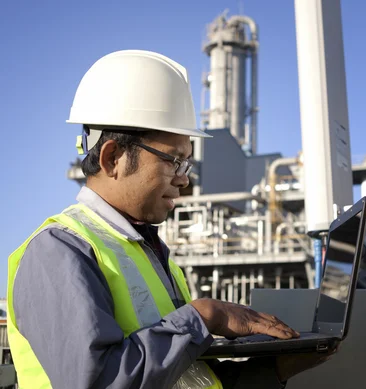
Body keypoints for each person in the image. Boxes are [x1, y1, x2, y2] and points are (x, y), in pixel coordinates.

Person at [6, 50, 334, 388]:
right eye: (173, 161)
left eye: (187, 164)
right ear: (113, 158)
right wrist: (205, 315)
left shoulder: (149, 250)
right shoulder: (59, 252)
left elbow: (188, 377)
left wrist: (277, 369)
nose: (184, 180)